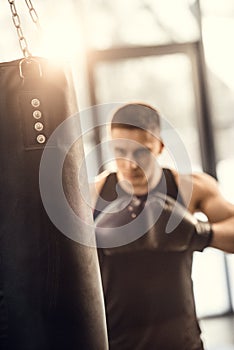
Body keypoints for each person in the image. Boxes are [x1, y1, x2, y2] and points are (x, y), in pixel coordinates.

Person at [91, 102, 234, 350]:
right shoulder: (91, 193)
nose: (130, 164)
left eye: (141, 152)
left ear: (160, 146)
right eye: (120, 151)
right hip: (117, 342)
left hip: (182, 340)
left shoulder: (191, 187)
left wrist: (199, 233)